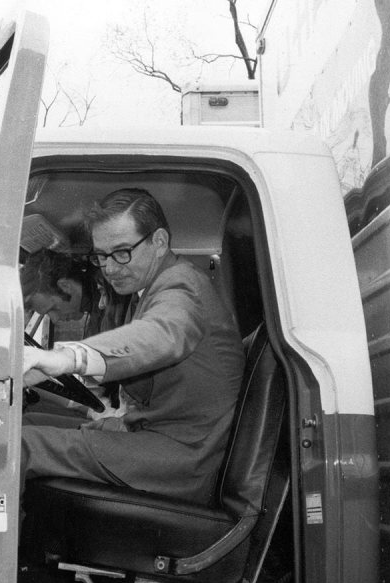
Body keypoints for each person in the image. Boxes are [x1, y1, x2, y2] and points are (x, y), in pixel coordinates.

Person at [21, 188, 245, 504]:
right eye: (101, 256)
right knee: (27, 424)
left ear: (159, 242)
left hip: (184, 458)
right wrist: (115, 424)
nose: (110, 267)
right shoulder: (150, 291)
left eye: (122, 251)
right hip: (160, 437)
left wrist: (68, 357)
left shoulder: (182, 288)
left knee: (19, 445)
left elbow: (161, 334)